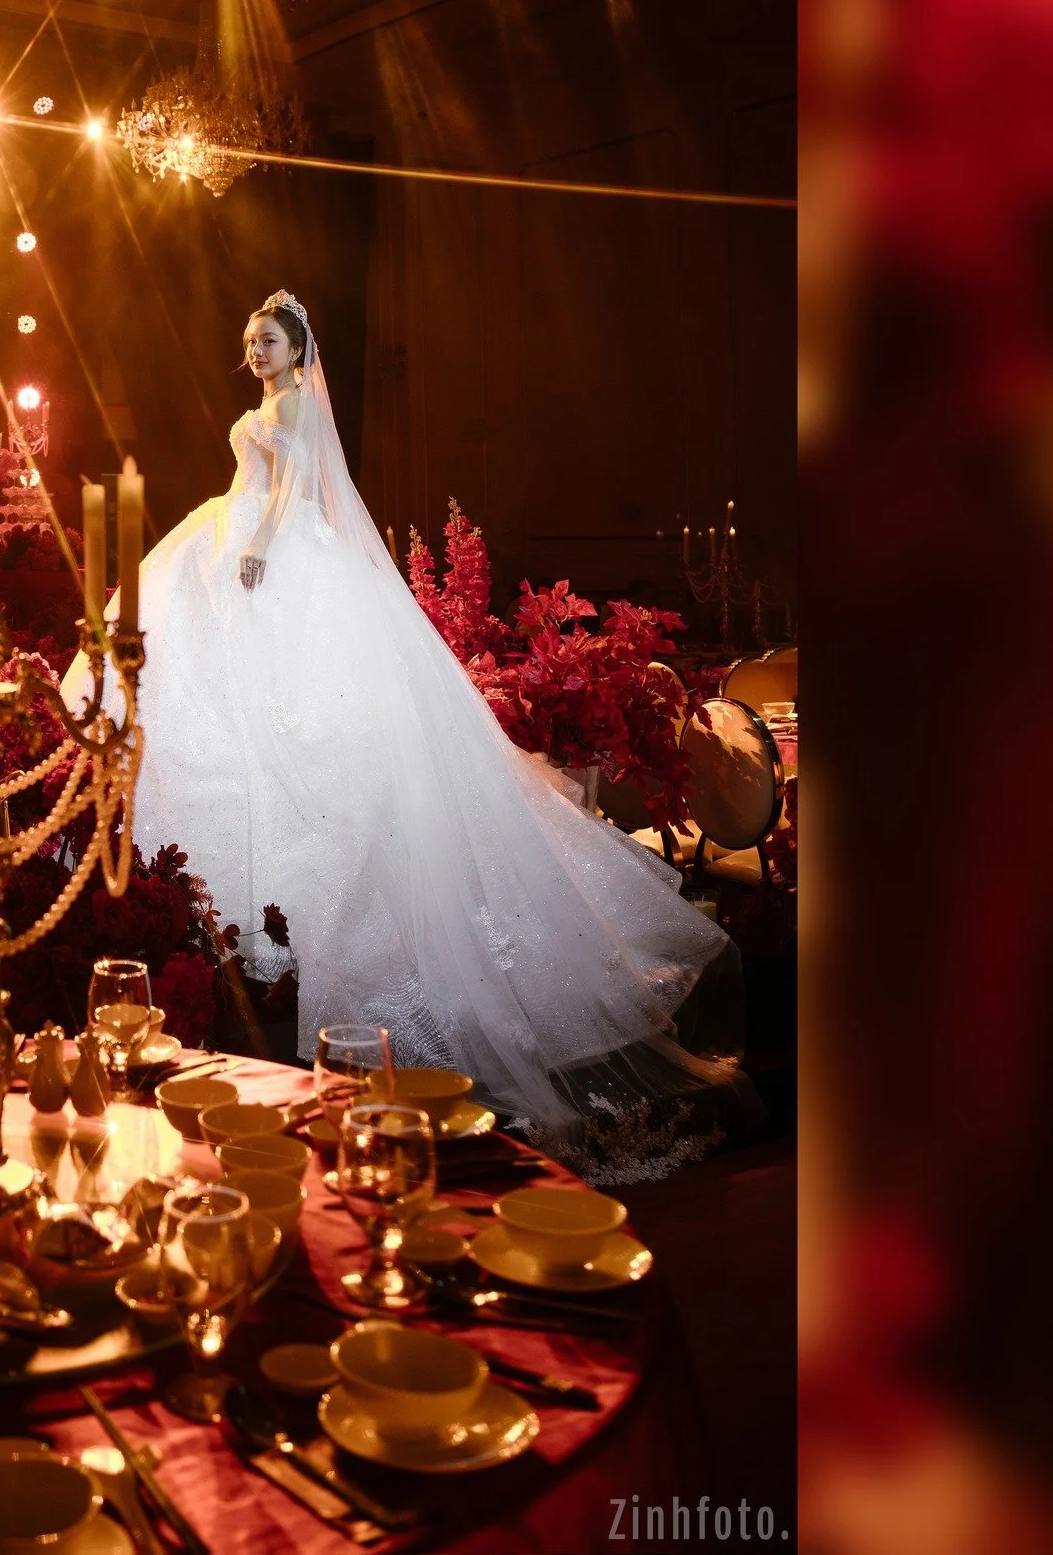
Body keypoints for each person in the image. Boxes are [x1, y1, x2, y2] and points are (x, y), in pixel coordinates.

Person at [67, 290, 753, 1181]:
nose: (257, 352)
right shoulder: (270, 403)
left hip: (276, 548)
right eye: (250, 341)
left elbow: (293, 491)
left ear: (297, 348)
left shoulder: (295, 406)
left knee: (306, 726)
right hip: (235, 532)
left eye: (268, 340)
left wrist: (258, 548)